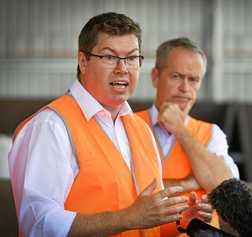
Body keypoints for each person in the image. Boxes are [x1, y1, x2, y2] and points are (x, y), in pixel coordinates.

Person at [8, 13, 190, 237]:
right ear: (83, 62)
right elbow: (39, 225)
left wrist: (182, 220)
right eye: (109, 57)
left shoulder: (141, 129)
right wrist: (128, 218)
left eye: (132, 58)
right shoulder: (51, 127)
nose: (122, 68)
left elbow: (148, 220)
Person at [136, 37, 239, 236]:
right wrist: (190, 183)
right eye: (176, 76)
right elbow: (123, 192)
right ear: (155, 77)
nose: (185, 88)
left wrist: (180, 129)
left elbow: (228, 189)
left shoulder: (212, 133)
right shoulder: (127, 125)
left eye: (193, 80)